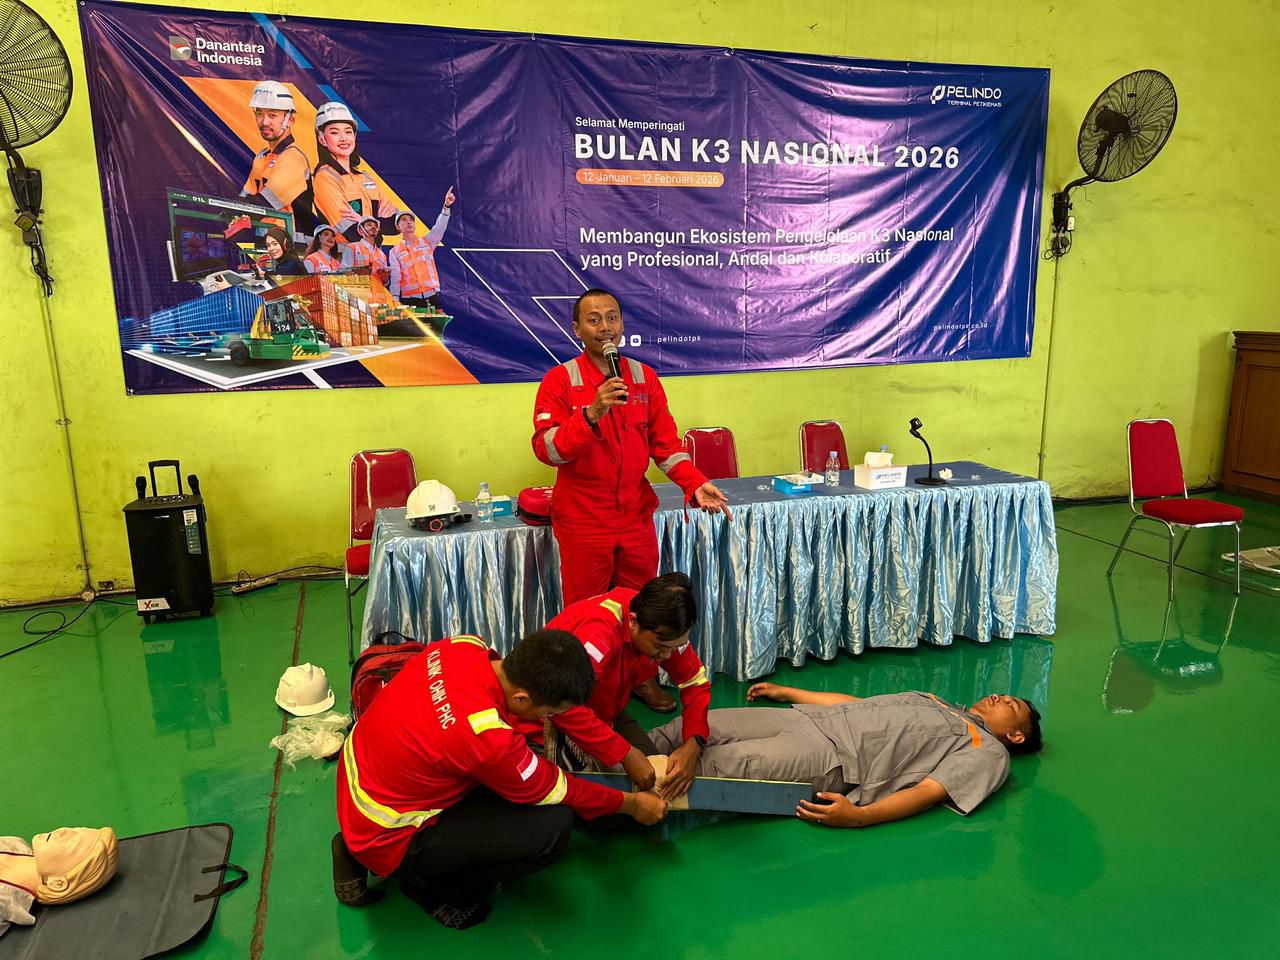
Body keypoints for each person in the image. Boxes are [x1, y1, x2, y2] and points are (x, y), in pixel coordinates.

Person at [333, 630, 667, 929]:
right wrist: (631, 804)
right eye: (549, 713)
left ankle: (351, 846)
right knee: (553, 828)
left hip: (361, 779)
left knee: (507, 783)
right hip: (388, 831)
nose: (550, 719)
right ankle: (433, 886)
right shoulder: (488, 737)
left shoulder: (464, 646)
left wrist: (622, 752)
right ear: (522, 697)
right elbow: (561, 789)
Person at [531, 288, 732, 712]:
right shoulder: (560, 380)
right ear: (577, 329)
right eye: (594, 319)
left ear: (622, 325)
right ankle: (583, 693)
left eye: (612, 317)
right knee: (585, 613)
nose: (605, 327)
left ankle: (641, 680)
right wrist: (591, 414)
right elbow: (547, 450)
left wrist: (694, 483)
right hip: (583, 518)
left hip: (635, 516)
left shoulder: (644, 378)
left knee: (644, 609)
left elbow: (667, 447)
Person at [649, 682, 1043, 827]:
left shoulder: (989, 750)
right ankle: (616, 755)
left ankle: (619, 794)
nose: (999, 696)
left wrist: (859, 816)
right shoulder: (935, 700)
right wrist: (791, 693)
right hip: (808, 718)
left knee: (717, 767)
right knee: (695, 728)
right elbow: (859, 703)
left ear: (1016, 735)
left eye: (1011, 704)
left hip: (830, 754)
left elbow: (930, 791)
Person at [512, 573, 710, 800]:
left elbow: (695, 682)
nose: (667, 655)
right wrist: (625, 753)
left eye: (675, 647)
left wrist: (694, 742)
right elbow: (561, 706)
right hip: (549, 722)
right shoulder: (599, 633)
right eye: (661, 647)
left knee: (653, 781)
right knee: (612, 806)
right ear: (633, 622)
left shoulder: (663, 625)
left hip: (603, 713)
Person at [312, 101, 399, 241]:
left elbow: (396, 225)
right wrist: (378, 222)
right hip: (343, 254)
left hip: (373, 253)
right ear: (322, 139)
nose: (343, 138)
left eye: (348, 131)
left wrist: (363, 221)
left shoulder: (365, 177)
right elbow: (351, 233)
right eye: (334, 132)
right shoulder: (325, 178)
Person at [240, 81, 315, 239]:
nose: (264, 122)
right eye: (259, 113)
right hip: (267, 242)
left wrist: (234, 210)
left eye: (272, 115)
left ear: (290, 120)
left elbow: (264, 204)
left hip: (294, 245)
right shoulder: (262, 156)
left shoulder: (294, 158)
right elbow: (244, 197)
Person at [388, 190, 455, 309]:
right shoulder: (394, 251)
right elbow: (395, 278)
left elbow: (440, 227)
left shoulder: (428, 241)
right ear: (398, 227)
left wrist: (446, 207)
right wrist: (395, 299)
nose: (409, 222)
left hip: (433, 297)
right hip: (410, 300)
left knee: (438, 322)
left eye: (411, 220)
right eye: (404, 220)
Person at [342, 214, 390, 285]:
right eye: (369, 225)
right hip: (360, 290)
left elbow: (383, 284)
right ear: (361, 230)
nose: (373, 227)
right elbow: (345, 274)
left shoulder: (382, 255)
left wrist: (385, 280)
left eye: (375, 226)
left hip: (377, 292)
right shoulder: (352, 248)